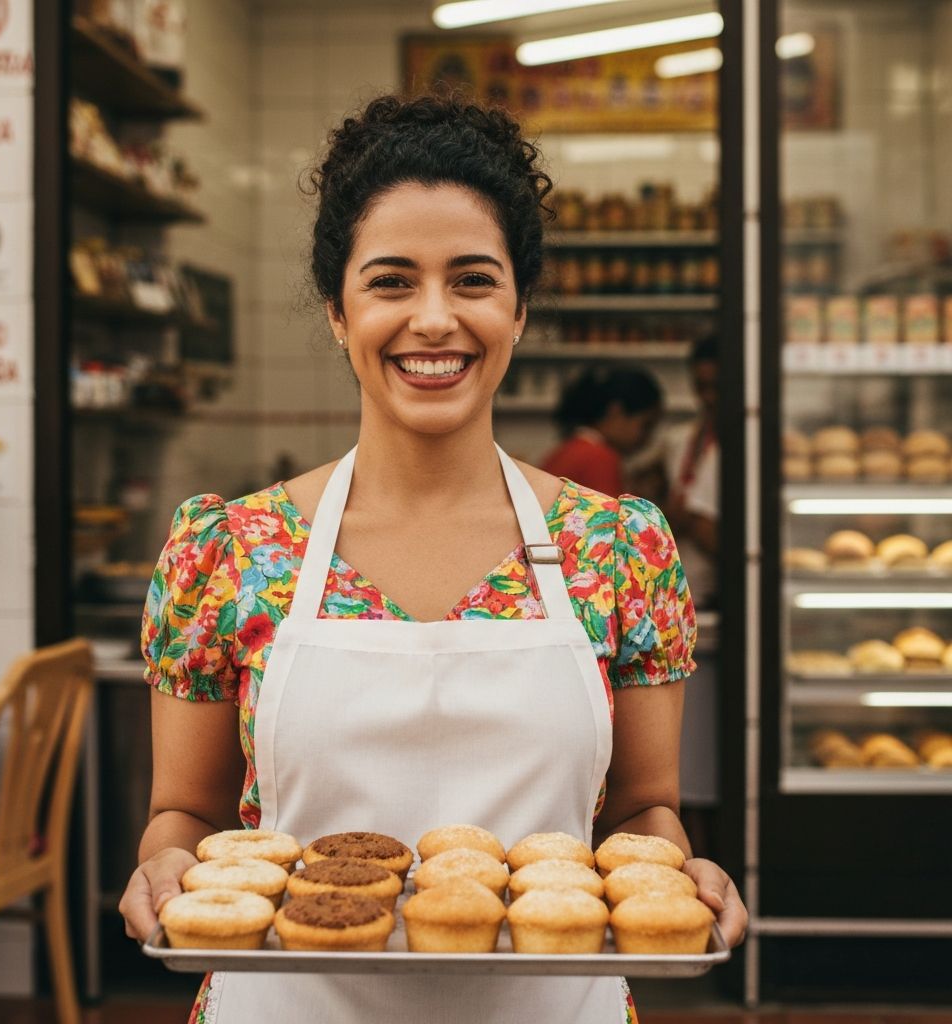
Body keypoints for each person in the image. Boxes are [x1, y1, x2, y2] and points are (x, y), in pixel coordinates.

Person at [119, 93, 747, 1024]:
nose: (434, 318)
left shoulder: (619, 548)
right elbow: (184, 814)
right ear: (338, 311)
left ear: (519, 309)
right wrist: (164, 864)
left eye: (473, 280)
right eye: (391, 282)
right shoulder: (230, 550)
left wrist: (680, 873)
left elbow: (642, 813)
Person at [541, 366, 663, 496]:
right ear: (615, 412)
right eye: (646, 425)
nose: (648, 438)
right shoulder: (599, 458)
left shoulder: (574, 449)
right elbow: (609, 509)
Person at [662, 335, 719, 608]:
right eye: (700, 386)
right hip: (680, 591)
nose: (708, 397)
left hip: (718, 591)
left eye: (716, 386)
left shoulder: (746, 443)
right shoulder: (683, 438)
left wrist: (689, 520)